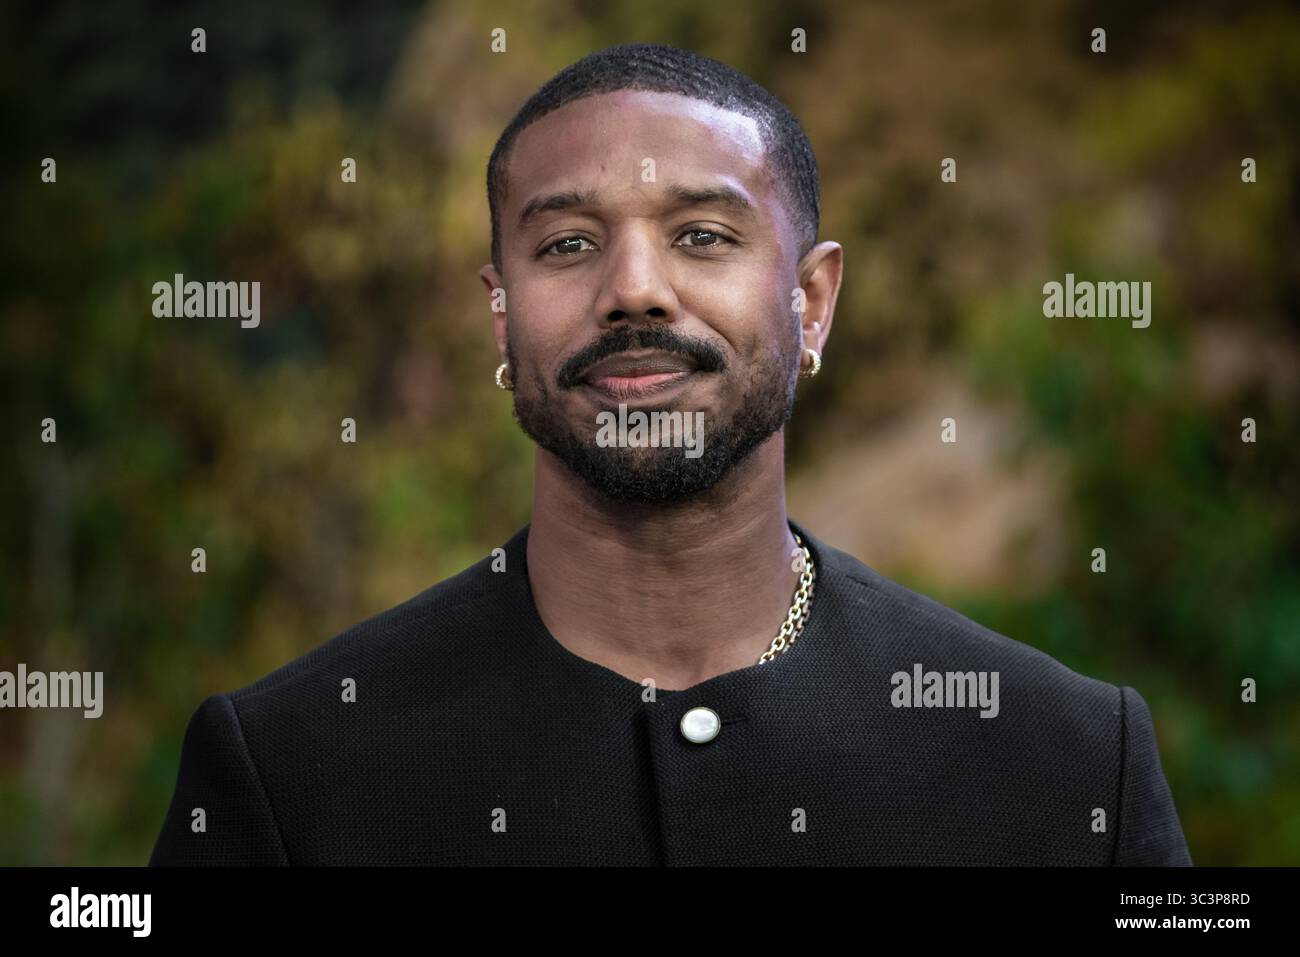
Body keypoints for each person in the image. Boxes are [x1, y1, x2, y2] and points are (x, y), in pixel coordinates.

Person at [150, 42, 1191, 866]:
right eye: (566, 244)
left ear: (812, 301)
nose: (634, 289)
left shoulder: (1060, 765)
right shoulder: (294, 771)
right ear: (499, 314)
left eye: (702, 235)